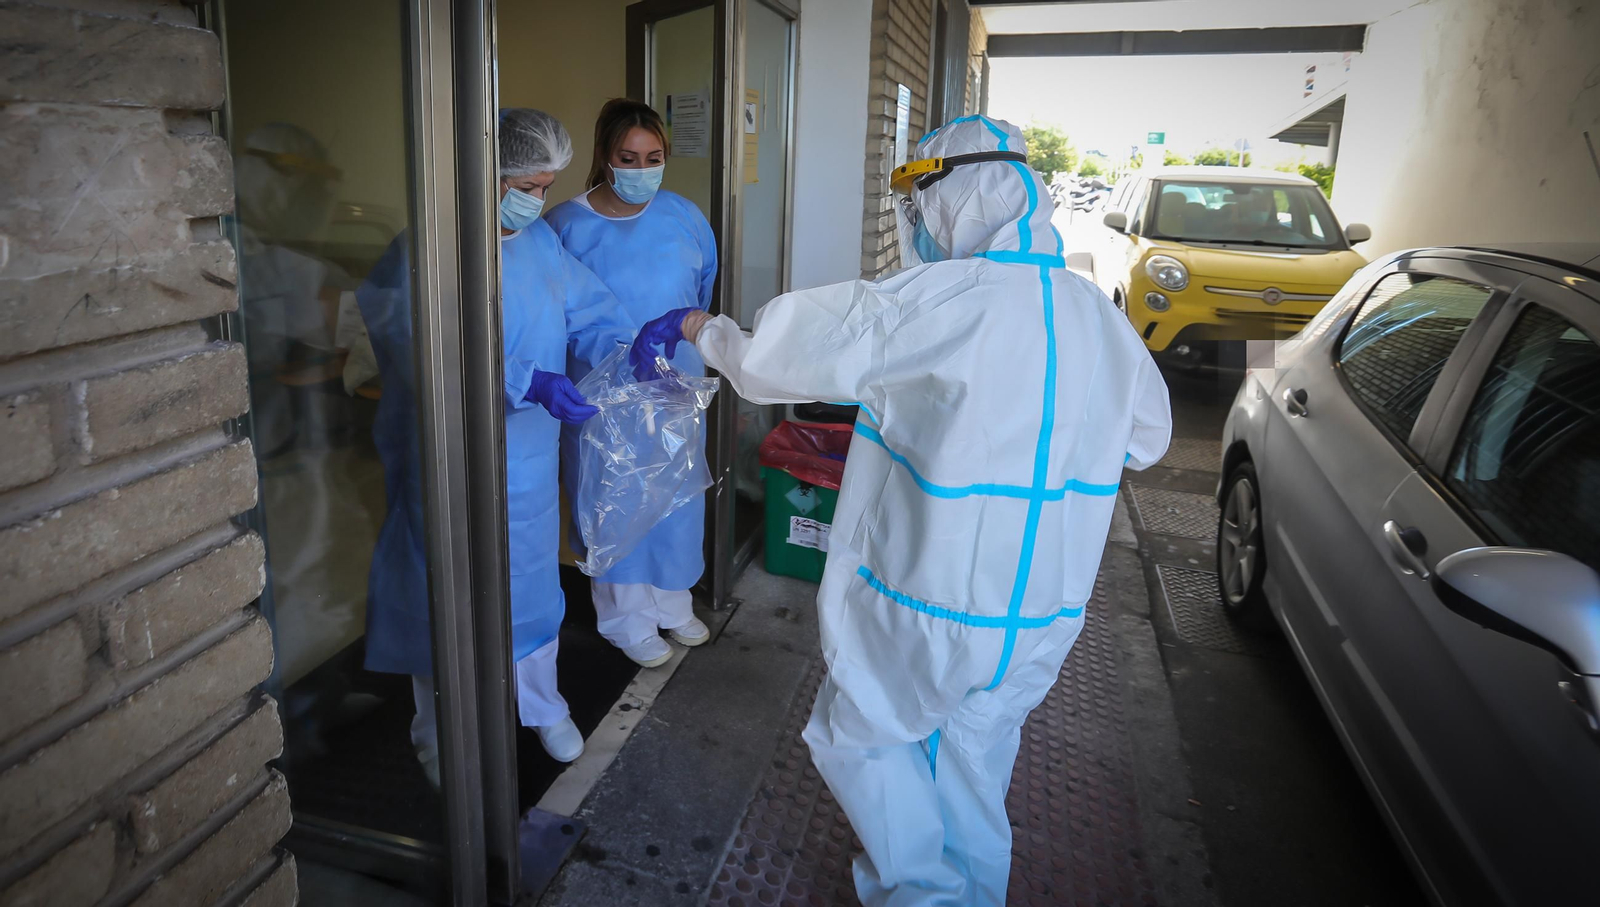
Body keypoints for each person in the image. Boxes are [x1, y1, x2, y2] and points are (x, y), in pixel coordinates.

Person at [634, 116, 1172, 906]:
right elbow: (1147, 440)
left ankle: (923, 894)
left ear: (952, 199)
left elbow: (770, 357)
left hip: (926, 600)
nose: (918, 225)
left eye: (923, 205)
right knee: (976, 761)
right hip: (1041, 614)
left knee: (862, 735)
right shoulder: (1099, 316)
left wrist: (694, 327)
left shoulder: (932, 301)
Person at [360, 108, 634, 778]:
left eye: (546, 187)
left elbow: (590, 308)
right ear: (486, 174)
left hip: (529, 464)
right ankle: (439, 733)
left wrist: (630, 354)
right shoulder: (424, 249)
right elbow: (413, 347)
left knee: (533, 589)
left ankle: (541, 706)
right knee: (445, 596)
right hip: (447, 460)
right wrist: (522, 379)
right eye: (530, 185)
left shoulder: (538, 243)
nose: (539, 200)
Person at [546, 99, 717, 668]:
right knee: (613, 500)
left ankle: (672, 602)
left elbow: (702, 290)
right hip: (605, 393)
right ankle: (626, 618)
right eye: (628, 157)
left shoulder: (685, 216)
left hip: (675, 387)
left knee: (675, 497)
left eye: (654, 157)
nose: (641, 169)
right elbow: (556, 314)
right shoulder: (567, 225)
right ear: (604, 157)